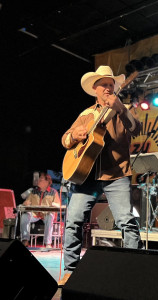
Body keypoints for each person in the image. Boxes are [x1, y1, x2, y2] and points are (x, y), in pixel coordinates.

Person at [58, 65, 142, 286]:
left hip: (116, 173)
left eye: (110, 84)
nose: (108, 87)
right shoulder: (85, 114)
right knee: (73, 221)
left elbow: (136, 129)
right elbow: (65, 140)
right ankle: (70, 271)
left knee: (126, 220)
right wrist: (74, 135)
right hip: (86, 176)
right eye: (103, 84)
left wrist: (122, 110)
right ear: (95, 89)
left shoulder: (122, 107)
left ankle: (134, 271)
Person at [20, 172, 60, 248]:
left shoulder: (53, 192)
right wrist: (25, 203)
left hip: (46, 214)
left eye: (41, 179)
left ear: (47, 182)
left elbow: (59, 205)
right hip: (34, 214)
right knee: (24, 216)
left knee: (50, 217)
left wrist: (54, 204)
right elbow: (26, 202)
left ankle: (48, 243)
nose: (38, 181)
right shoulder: (33, 191)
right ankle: (25, 240)